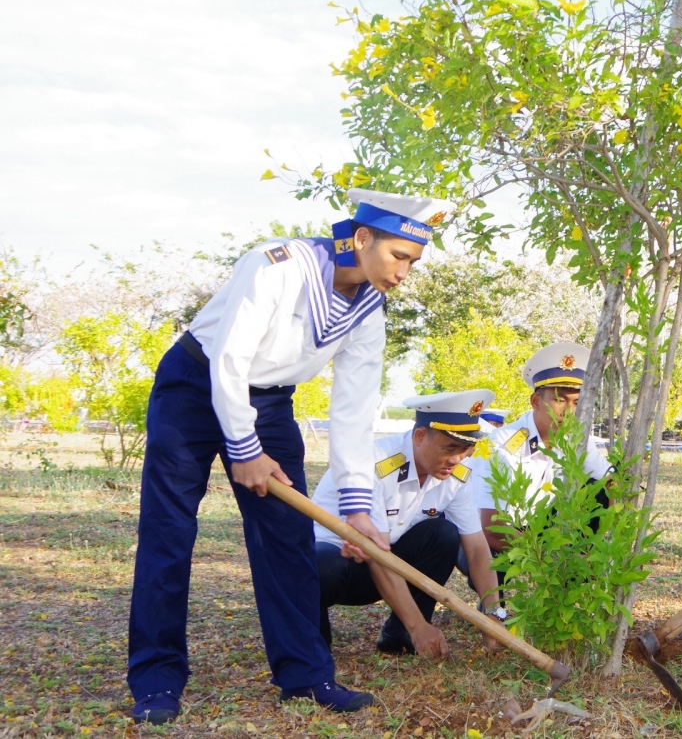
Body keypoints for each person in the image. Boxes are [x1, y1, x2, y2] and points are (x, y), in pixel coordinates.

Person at [127, 189, 452, 724]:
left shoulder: (370, 305)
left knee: (288, 541)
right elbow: (229, 359)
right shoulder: (277, 264)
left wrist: (356, 511)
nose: (404, 272)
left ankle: (305, 675)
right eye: (399, 256)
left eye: (413, 262)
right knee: (169, 535)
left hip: (272, 402)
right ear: (363, 237)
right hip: (193, 384)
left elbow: (352, 409)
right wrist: (244, 449)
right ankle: (157, 678)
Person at [313, 391, 502, 657]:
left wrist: (493, 613)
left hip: (387, 566)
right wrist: (419, 626)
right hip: (339, 566)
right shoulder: (374, 464)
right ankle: (312, 645)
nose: (456, 459)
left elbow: (476, 548)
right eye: (449, 448)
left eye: (464, 450)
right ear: (420, 437)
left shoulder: (455, 477)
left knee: (443, 534)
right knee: (321, 564)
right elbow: (377, 554)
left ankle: (399, 634)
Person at [463, 342, 612, 583]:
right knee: (491, 549)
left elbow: (610, 482)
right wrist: (550, 556)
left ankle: (568, 598)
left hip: (547, 530)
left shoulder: (579, 441)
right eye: (560, 400)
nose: (569, 411)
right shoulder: (501, 444)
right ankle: (492, 607)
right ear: (535, 401)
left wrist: (609, 540)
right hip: (493, 535)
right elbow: (490, 525)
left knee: (599, 491)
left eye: (577, 402)